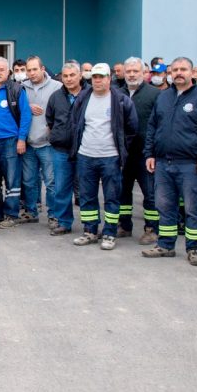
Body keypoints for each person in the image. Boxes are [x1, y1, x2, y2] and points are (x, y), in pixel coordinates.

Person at [142, 57, 197, 265]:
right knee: (165, 206)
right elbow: (152, 127)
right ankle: (166, 245)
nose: (178, 73)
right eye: (175, 69)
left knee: (192, 209)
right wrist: (149, 154)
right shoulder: (163, 97)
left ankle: (194, 248)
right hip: (163, 163)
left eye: (183, 69)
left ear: (192, 73)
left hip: (191, 164)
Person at [69, 63, 138, 251]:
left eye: (101, 77)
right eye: (95, 77)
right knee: (87, 196)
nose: (98, 80)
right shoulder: (83, 98)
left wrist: (120, 149)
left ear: (109, 78)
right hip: (86, 156)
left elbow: (132, 128)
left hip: (110, 157)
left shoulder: (121, 100)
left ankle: (109, 233)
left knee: (112, 197)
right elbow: (75, 123)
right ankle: (90, 231)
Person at [0, 57, 31, 228]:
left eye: (1, 70)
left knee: (12, 179)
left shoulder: (16, 89)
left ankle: (11, 214)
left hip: (10, 141)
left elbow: (26, 115)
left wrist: (21, 139)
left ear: (8, 72)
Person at [118, 57, 161, 244]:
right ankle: (124, 225)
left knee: (150, 194)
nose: (132, 75)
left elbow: (160, 124)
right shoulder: (117, 93)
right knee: (122, 191)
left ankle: (152, 229)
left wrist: (153, 152)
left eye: (136, 71)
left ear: (144, 73)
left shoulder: (155, 94)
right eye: (128, 71)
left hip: (146, 154)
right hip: (123, 154)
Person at [44, 62, 85, 236]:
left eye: (72, 75)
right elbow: (50, 120)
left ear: (80, 76)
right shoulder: (56, 97)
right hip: (61, 150)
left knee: (86, 189)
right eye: (65, 76)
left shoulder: (89, 95)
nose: (68, 79)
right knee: (61, 188)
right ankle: (64, 222)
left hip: (85, 150)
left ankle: (90, 225)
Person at [20, 56, 61, 226]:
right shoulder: (21, 87)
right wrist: (27, 107)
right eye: (28, 70)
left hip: (47, 144)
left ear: (42, 69)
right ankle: (31, 211)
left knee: (51, 182)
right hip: (29, 143)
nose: (31, 73)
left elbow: (62, 111)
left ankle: (54, 215)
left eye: (34, 69)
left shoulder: (57, 87)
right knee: (29, 181)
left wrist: (53, 131)